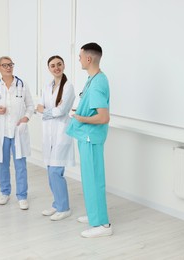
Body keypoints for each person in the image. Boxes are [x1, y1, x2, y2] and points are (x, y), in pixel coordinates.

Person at [66, 42, 113, 238]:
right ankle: (94, 214)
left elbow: (103, 117)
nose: (78, 59)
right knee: (88, 179)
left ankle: (102, 224)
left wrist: (80, 118)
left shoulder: (98, 82)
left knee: (94, 180)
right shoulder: (93, 79)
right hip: (86, 136)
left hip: (91, 137)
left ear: (88, 58)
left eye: (80, 56)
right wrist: (81, 113)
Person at [0, 56, 34, 210]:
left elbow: (30, 106)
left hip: (17, 130)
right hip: (2, 132)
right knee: (3, 163)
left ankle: (22, 195)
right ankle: (5, 192)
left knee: (20, 164)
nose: (8, 67)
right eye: (5, 65)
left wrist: (26, 118)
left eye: (10, 65)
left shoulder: (22, 85)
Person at [36, 55, 76, 221]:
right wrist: (47, 111)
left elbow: (61, 111)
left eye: (59, 64)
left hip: (61, 134)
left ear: (64, 66)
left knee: (56, 171)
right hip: (49, 134)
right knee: (50, 170)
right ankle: (57, 203)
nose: (56, 68)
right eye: (53, 66)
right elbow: (39, 106)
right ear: (49, 69)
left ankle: (64, 207)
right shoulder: (47, 86)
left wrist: (45, 111)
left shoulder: (68, 87)